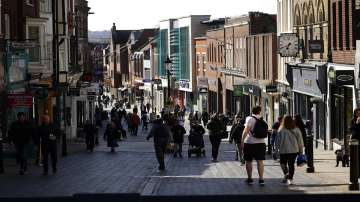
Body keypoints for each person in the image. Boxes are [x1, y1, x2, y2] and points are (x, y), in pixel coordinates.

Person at [241, 106, 268, 186]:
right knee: (260, 161)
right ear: (259, 111)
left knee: (248, 161)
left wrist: (242, 140)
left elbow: (246, 130)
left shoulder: (249, 118)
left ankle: (250, 178)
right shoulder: (262, 119)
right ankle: (261, 179)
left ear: (252, 111)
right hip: (261, 143)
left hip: (249, 143)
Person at [276, 115, 304, 185]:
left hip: (283, 150)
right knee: (291, 164)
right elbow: (300, 141)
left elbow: (277, 141)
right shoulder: (296, 129)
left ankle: (286, 174)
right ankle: (290, 178)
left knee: (282, 163)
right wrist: (301, 151)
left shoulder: (281, 129)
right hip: (294, 150)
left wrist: (276, 150)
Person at [350, 108, 360, 175]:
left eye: (359, 113)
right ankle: (357, 173)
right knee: (356, 157)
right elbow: (351, 129)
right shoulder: (353, 120)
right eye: (357, 113)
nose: (358, 114)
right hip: (355, 140)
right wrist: (357, 123)